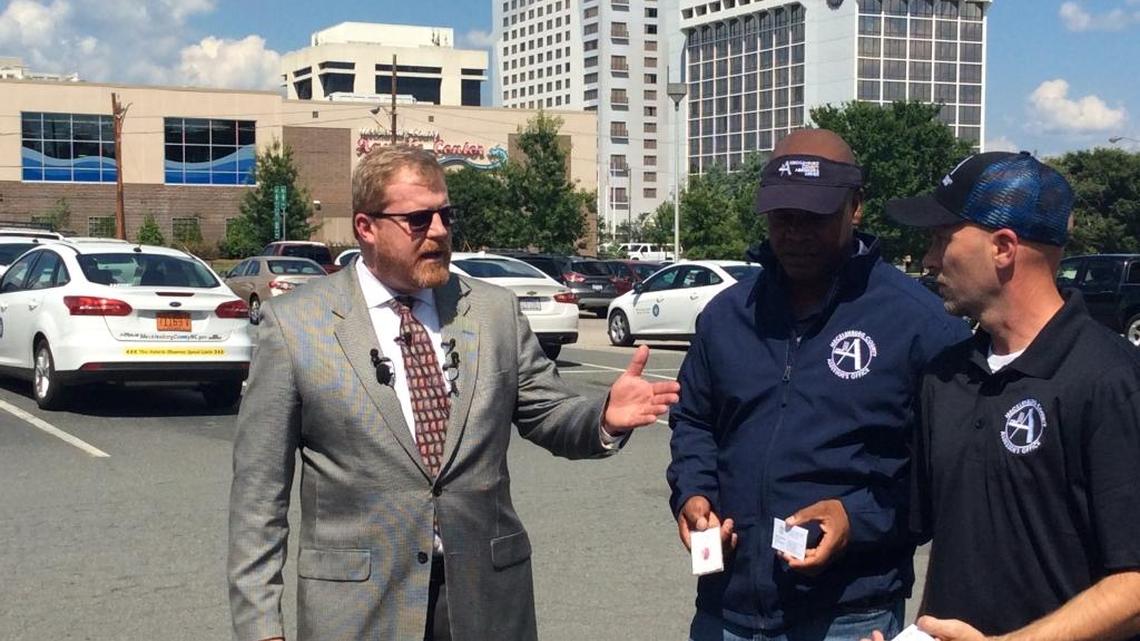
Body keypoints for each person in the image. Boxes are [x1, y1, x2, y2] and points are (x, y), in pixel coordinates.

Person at [227, 145, 681, 641]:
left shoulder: (492, 312)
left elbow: (547, 412)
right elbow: (258, 498)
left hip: (486, 598)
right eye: (419, 219)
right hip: (358, 608)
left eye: (446, 215)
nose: (440, 231)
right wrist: (260, 627)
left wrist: (604, 417)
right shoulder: (295, 326)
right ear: (366, 227)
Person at [667, 129, 971, 641]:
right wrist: (694, 493)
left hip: (851, 615)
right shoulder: (726, 316)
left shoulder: (922, 326)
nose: (796, 232)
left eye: (815, 217)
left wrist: (857, 520)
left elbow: (946, 478)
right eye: (784, 218)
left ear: (856, 208)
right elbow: (694, 419)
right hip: (726, 609)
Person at [867, 151, 1140, 641]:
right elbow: (950, 543)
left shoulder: (1110, 379)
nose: (929, 259)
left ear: (1004, 247)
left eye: (941, 238)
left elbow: (1134, 586)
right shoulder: (946, 376)